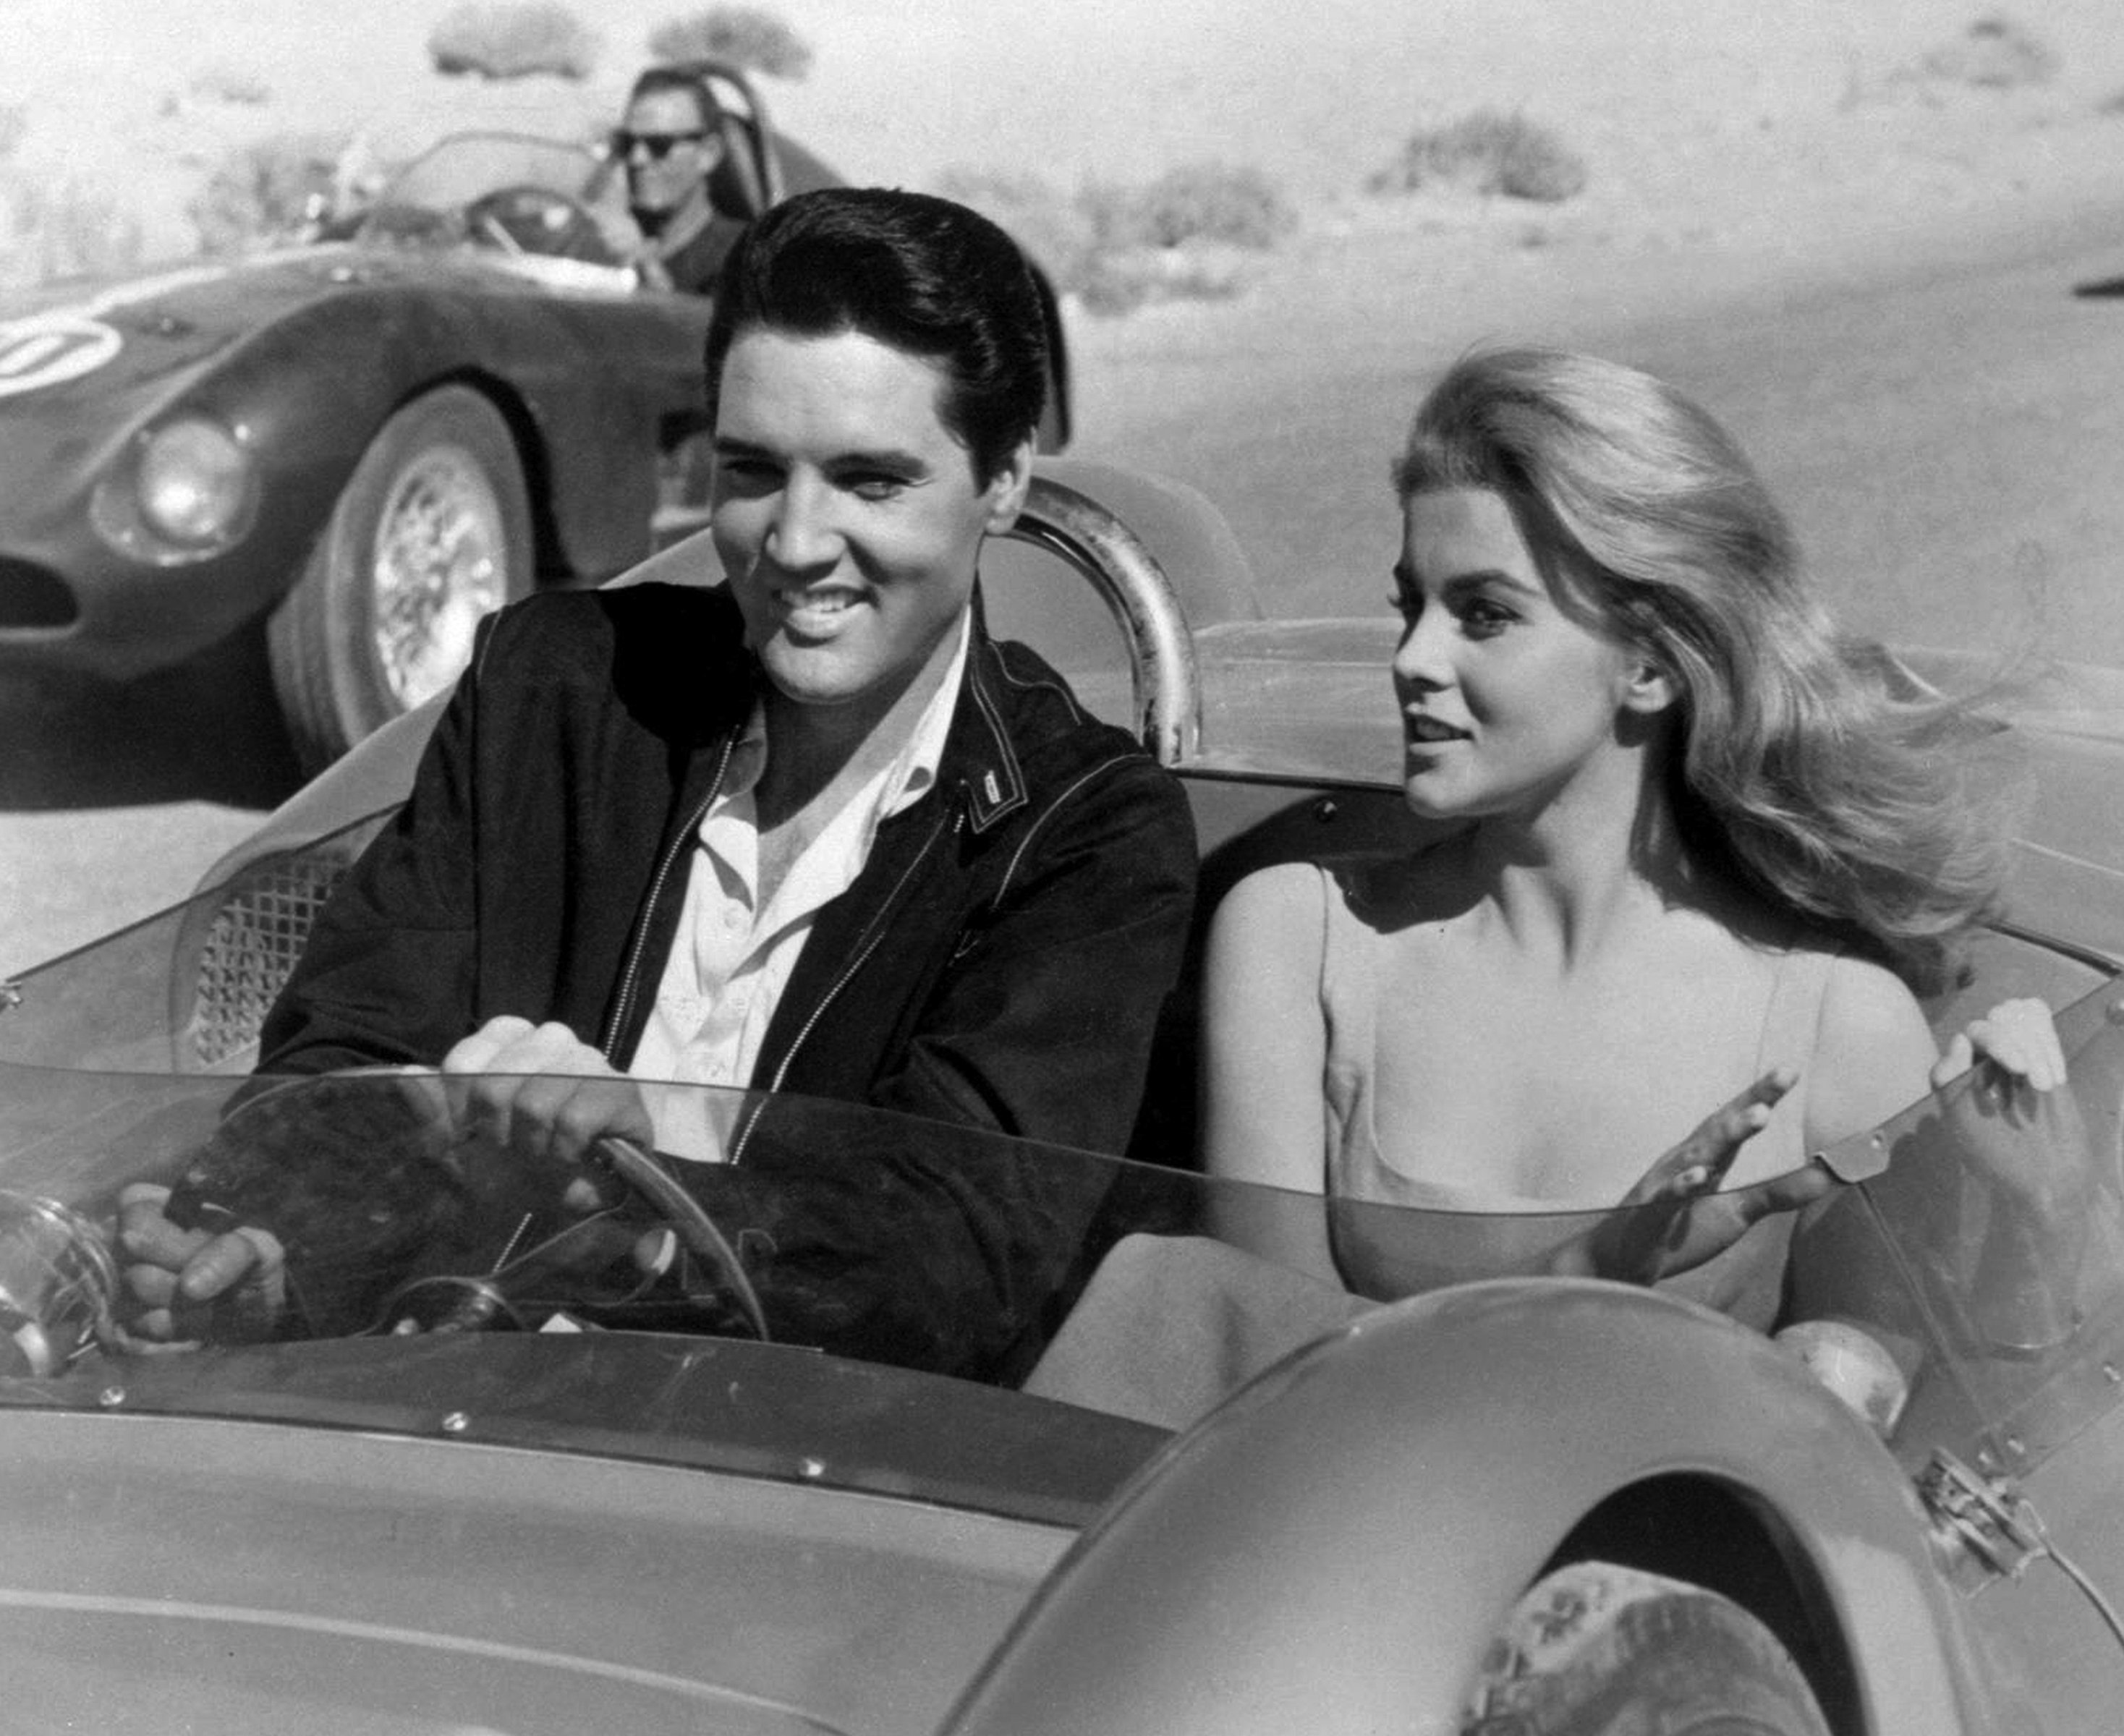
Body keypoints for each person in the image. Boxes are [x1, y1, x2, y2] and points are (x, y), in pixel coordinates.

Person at [119, 188, 1199, 1377]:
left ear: (1003, 479)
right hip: (447, 1398)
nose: (795, 541)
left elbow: (953, 1260)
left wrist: (656, 1184)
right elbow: (346, 1055)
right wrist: (283, 1256)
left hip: (791, 1477)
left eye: (870, 481)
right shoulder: (551, 688)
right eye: (752, 471)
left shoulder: (1084, 833)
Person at [1200, 346, 2070, 1327]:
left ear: (1650, 668)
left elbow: (1876, 1427)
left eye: (1482, 614)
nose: (1412, 658)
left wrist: (2050, 1205)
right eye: (1412, 605)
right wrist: (1593, 1265)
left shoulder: (1842, 1025)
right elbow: (1264, 1384)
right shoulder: (1295, 936)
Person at [613, 63, 748, 292]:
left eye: (660, 145)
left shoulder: (746, 259)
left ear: (708, 154)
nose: (637, 159)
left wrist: (650, 277)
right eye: (627, 144)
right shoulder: (610, 240)